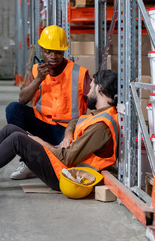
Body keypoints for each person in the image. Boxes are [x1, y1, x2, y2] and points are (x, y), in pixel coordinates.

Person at [0, 69, 118, 194]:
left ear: (100, 89)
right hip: (64, 164)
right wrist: (69, 134)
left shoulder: (101, 126)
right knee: (11, 129)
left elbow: (68, 157)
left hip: (68, 176)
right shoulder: (99, 113)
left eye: (92, 86)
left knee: (18, 140)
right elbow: (76, 121)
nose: (88, 91)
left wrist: (40, 141)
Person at [7, 25, 92, 180]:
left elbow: (95, 104)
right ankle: (27, 161)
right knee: (13, 109)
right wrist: (39, 78)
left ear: (64, 51)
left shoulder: (79, 73)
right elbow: (22, 99)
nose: (53, 56)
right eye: (48, 52)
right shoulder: (36, 71)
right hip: (42, 125)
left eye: (58, 52)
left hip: (67, 132)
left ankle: (45, 162)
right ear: (41, 51)